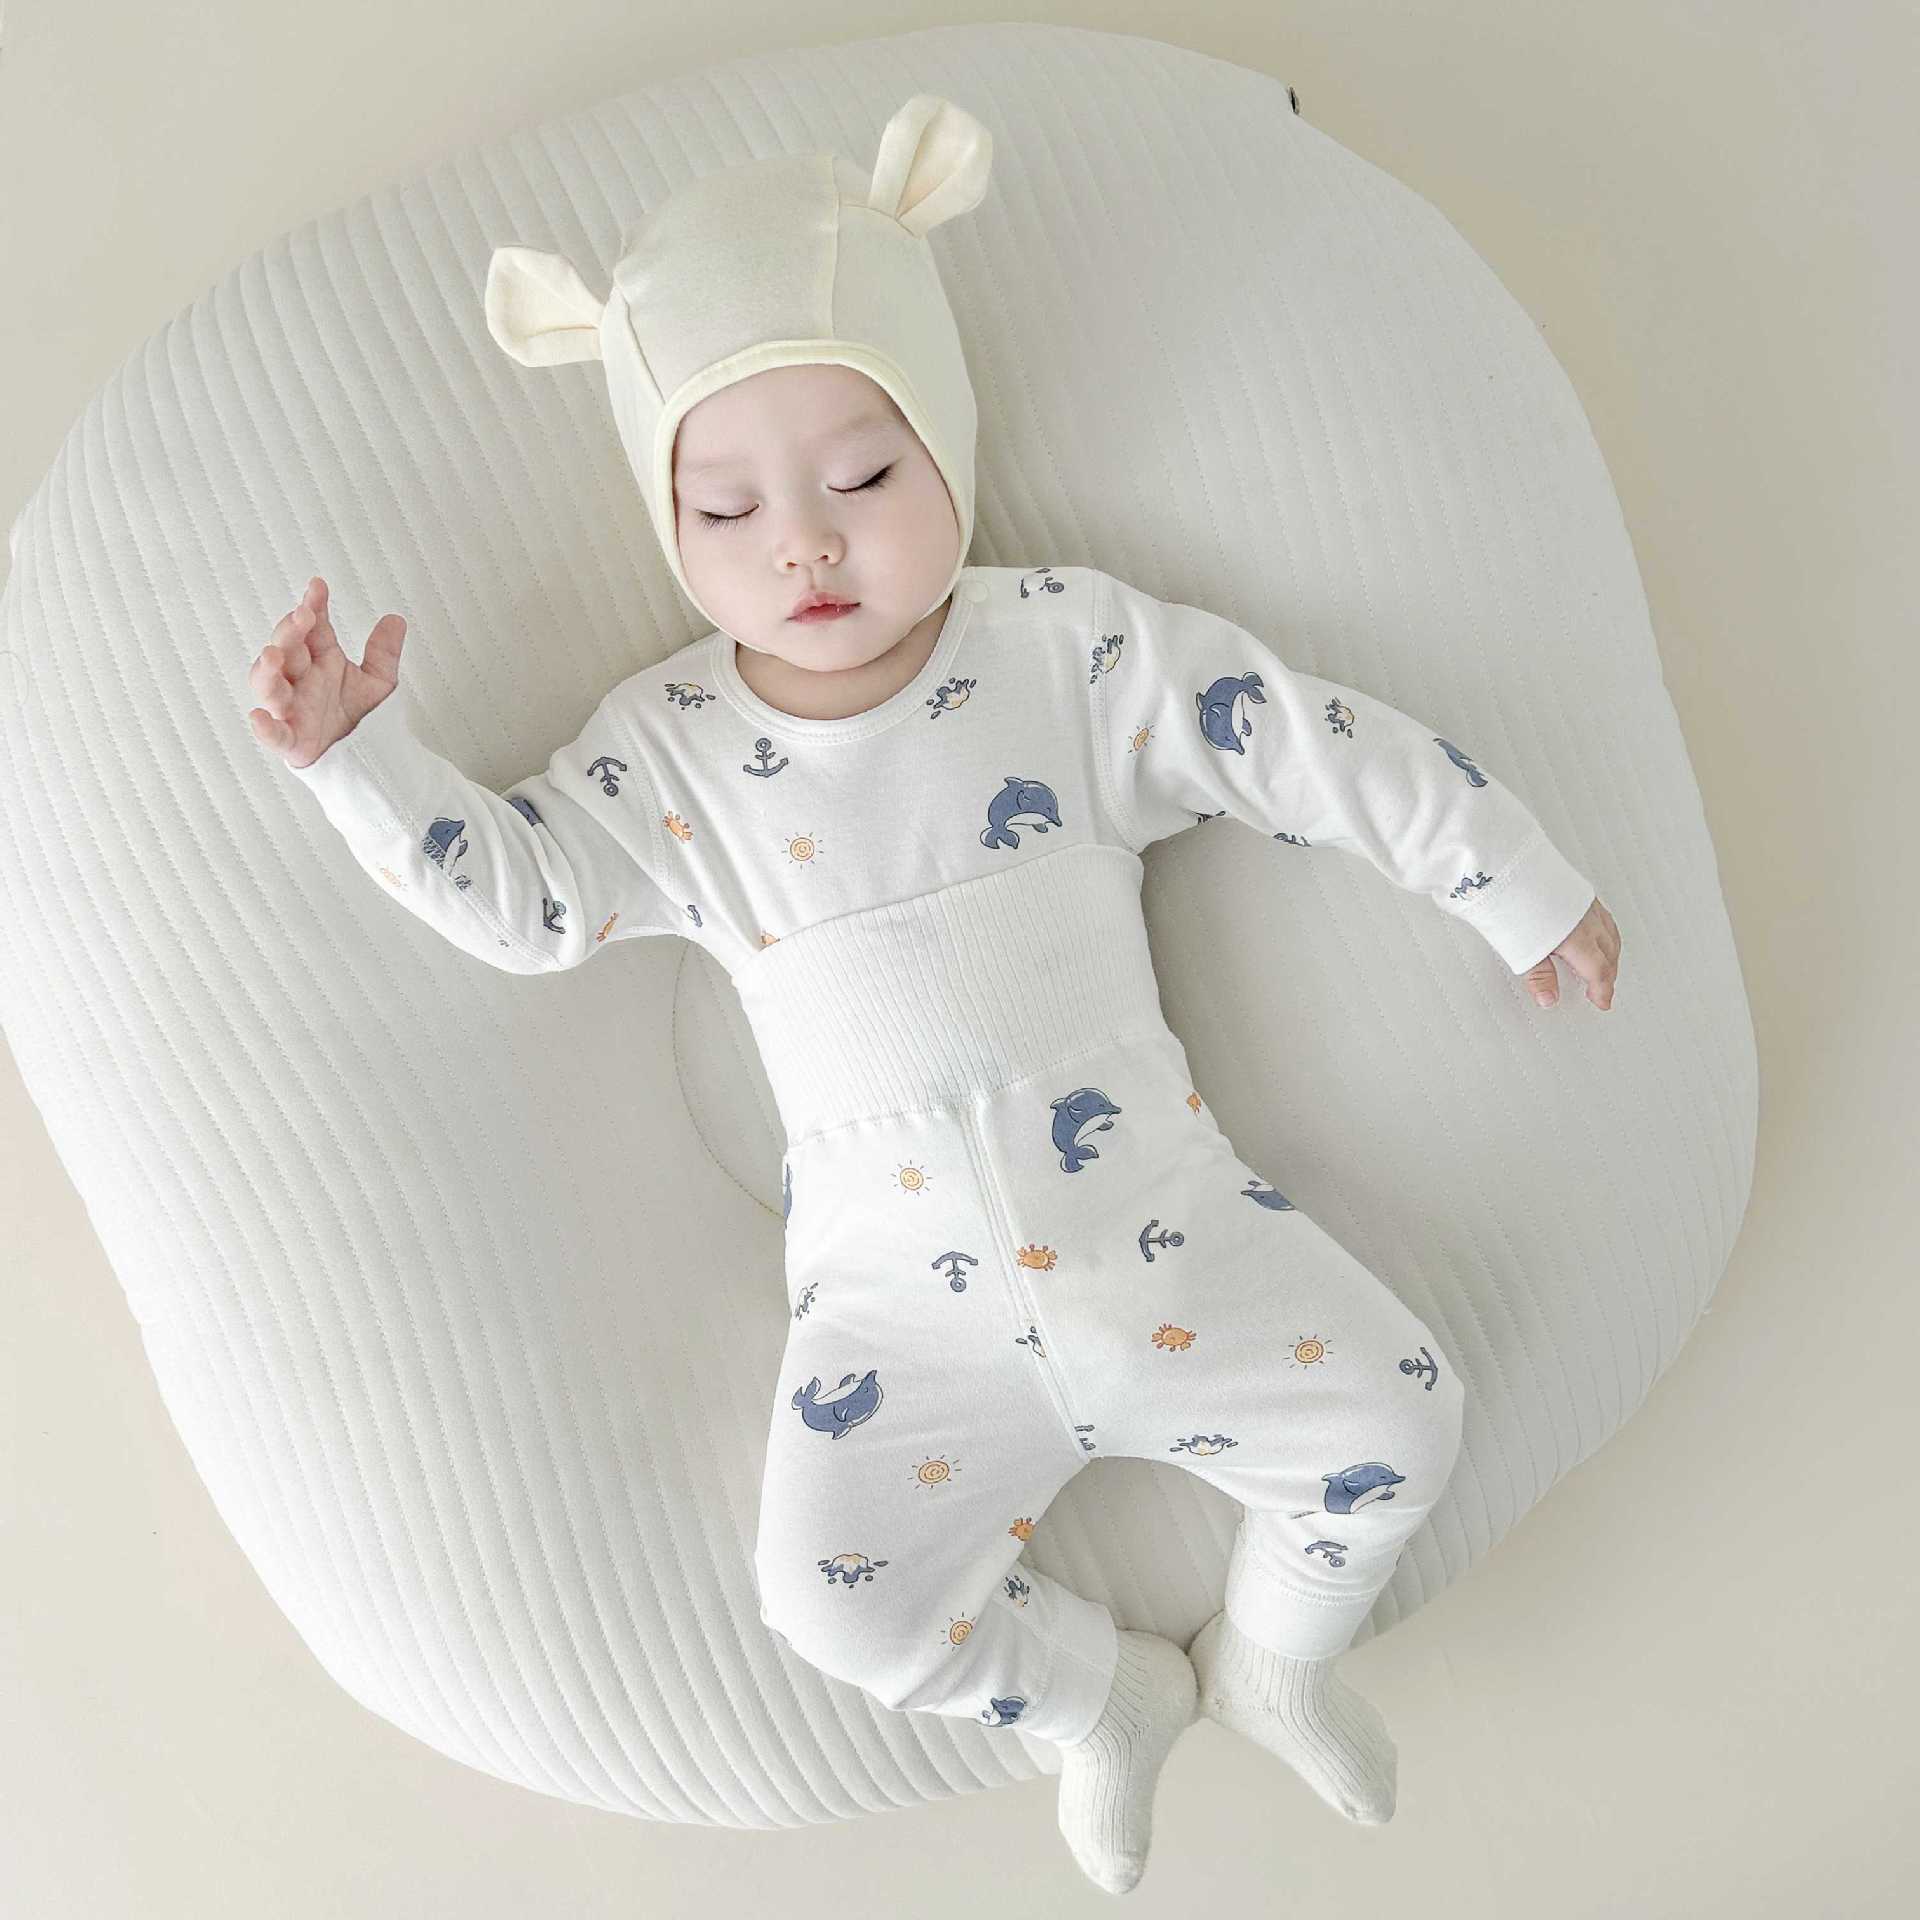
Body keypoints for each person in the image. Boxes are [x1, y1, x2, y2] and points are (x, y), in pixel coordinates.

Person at [245, 94, 1621, 1896]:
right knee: (834, 1606)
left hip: (1173, 1244)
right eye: (728, 507)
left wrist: (1509, 878)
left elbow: (1299, 740)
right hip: (899, 1332)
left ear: (950, 455)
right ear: (671, 522)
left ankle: (1283, 1658)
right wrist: (360, 762)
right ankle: (1097, 1699)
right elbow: (529, 903)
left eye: (866, 480)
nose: (804, 547)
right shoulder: (672, 753)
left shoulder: (1067, 651)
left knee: (1400, 1420)